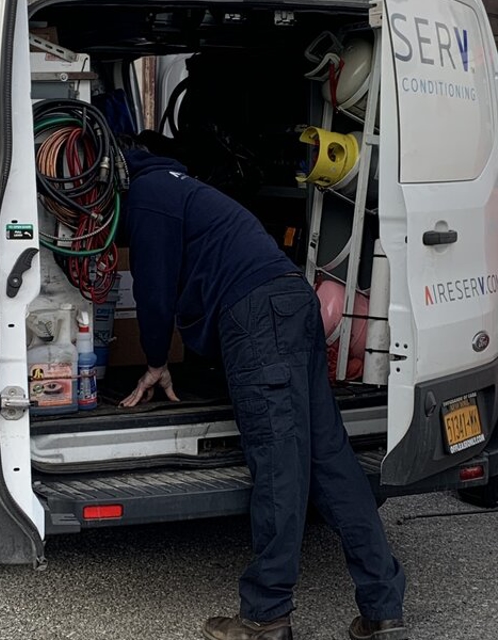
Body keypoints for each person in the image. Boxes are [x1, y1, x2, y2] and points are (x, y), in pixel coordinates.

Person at [117, 136, 407, 640]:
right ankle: (383, 609)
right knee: (330, 462)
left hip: (258, 319)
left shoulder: (145, 197)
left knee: (278, 465)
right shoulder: (181, 186)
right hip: (293, 299)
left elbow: (154, 291)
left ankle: (266, 616)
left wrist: (157, 359)